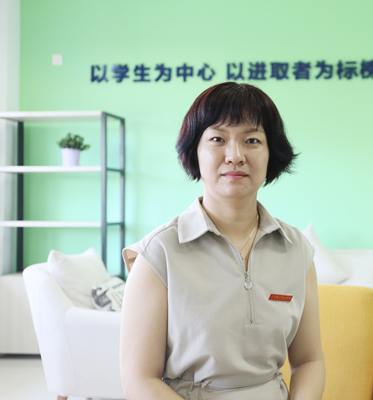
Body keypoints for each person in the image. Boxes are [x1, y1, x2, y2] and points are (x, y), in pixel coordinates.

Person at [120, 82, 325, 400]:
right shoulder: (158, 253)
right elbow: (138, 379)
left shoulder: (296, 249)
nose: (235, 156)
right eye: (218, 139)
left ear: (271, 153)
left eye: (252, 140)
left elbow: (309, 361)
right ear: (195, 151)